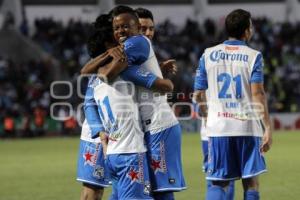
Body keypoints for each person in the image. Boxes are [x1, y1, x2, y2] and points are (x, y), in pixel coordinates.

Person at [193, 9, 272, 200]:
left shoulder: (208, 54)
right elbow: (258, 94)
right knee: (251, 182)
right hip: (247, 128)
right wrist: (267, 127)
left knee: (218, 182)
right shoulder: (254, 56)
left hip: (218, 128)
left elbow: (198, 94)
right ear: (246, 31)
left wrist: (206, 115)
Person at [110, 5, 186, 200]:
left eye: (151, 29)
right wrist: (157, 74)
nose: (147, 34)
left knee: (160, 190)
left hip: (159, 126)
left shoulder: (137, 44)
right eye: (143, 29)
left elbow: (118, 72)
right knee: (141, 188)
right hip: (145, 128)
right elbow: (128, 74)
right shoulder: (136, 44)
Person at [76, 14, 121, 200]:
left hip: (121, 133)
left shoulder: (126, 62)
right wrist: (98, 130)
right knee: (93, 191)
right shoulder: (99, 70)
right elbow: (89, 103)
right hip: (97, 137)